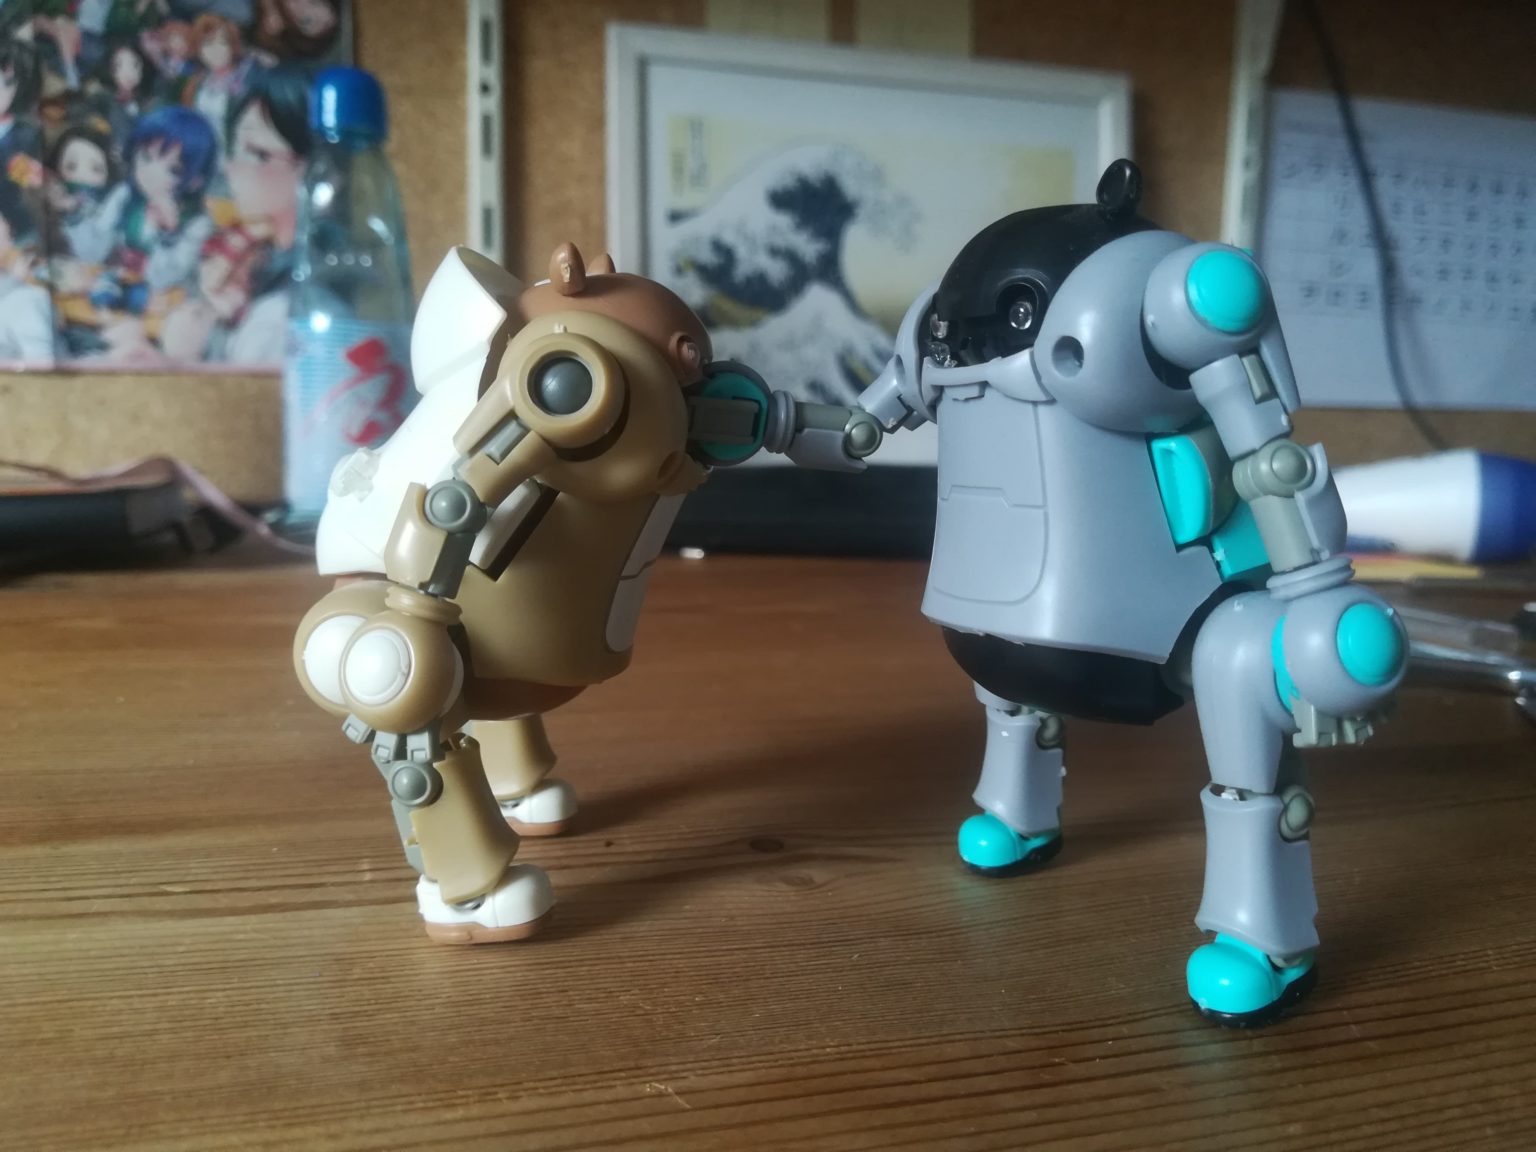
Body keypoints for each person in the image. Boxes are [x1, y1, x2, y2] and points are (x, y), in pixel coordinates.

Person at [163, 65, 307, 365]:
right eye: (234, 150)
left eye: (258, 153)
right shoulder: (258, 252)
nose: (232, 168)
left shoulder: (281, 315)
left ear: (311, 165)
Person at [79, 104, 217, 316]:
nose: (151, 173)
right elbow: (92, 252)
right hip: (118, 290)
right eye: (145, 158)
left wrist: (169, 234)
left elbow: (163, 280)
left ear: (195, 181)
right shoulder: (125, 196)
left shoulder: (197, 223)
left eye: (173, 170)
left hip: (169, 308)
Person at [178, 13, 254, 154]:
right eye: (207, 44)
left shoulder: (249, 79)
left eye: (222, 42)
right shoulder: (197, 82)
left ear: (232, 45)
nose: (216, 50)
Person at [0, 197, 55, 364]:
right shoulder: (26, 300)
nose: (11, 245)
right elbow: (42, 365)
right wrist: (15, 280)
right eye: (7, 238)